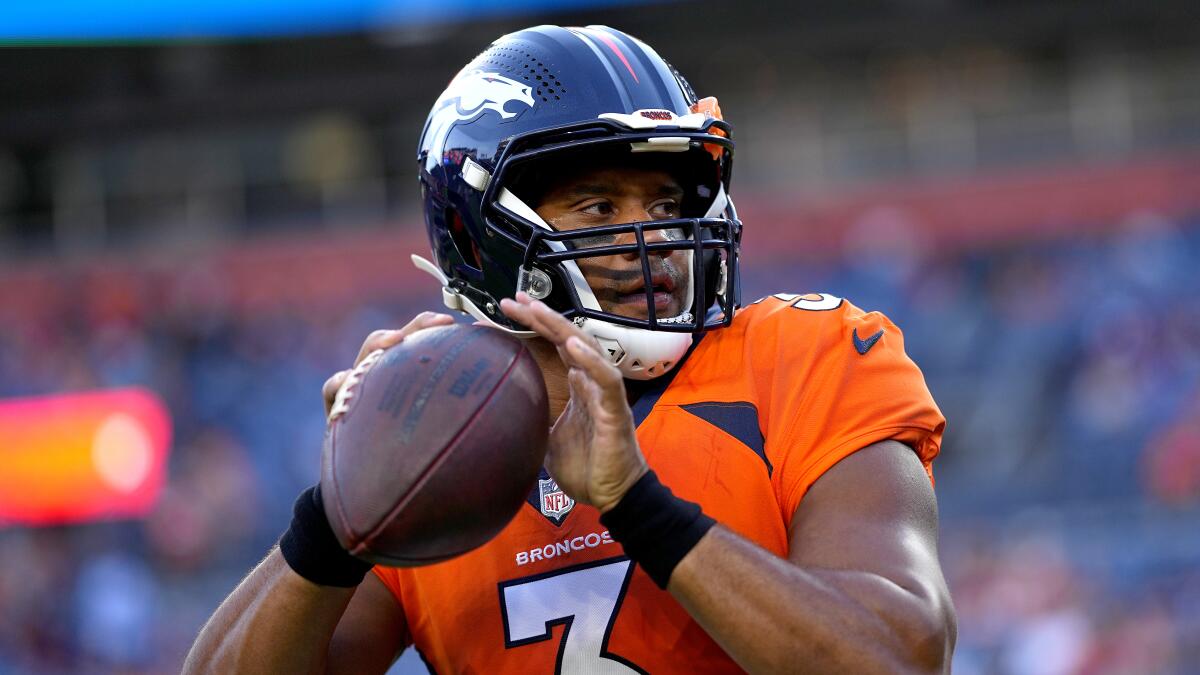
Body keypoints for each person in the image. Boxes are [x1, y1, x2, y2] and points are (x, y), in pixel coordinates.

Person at [185, 24, 955, 674]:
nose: (651, 240)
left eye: (664, 202)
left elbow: (900, 652)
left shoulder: (804, 354)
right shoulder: (438, 430)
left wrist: (637, 505)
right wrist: (336, 512)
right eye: (599, 206)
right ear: (478, 231)